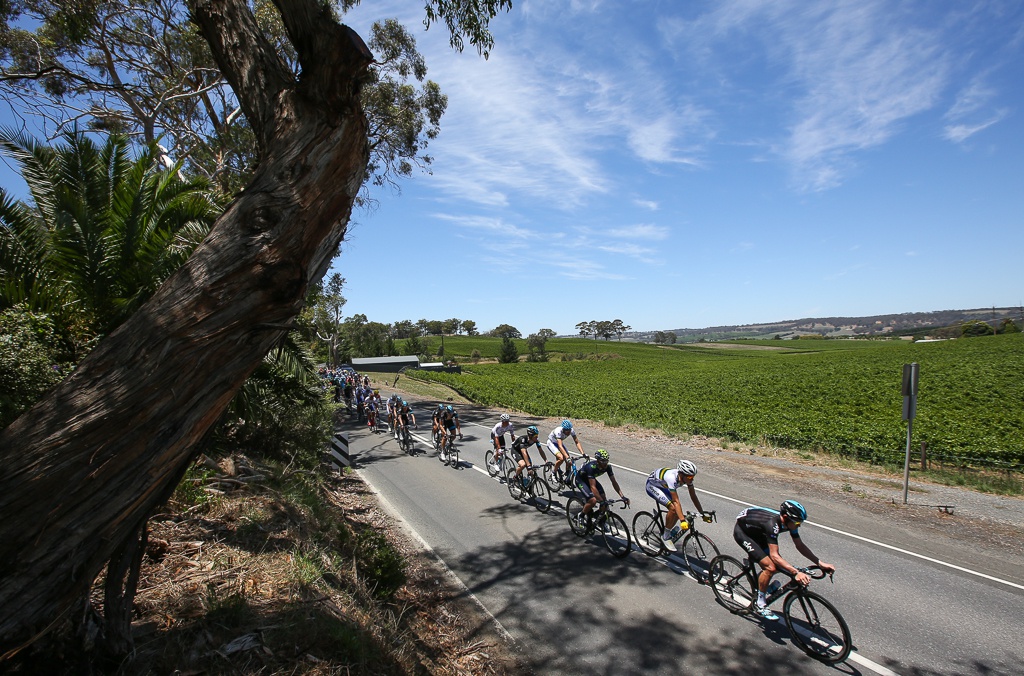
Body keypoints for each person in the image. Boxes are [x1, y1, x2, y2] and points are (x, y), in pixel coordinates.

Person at [733, 500, 836, 620]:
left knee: (779, 566)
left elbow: (800, 545)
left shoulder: (790, 522)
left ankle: (761, 587)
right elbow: (775, 556)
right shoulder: (772, 524)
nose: (799, 525)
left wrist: (819, 562)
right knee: (770, 567)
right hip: (744, 533)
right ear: (786, 517)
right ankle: (759, 603)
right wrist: (796, 572)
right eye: (797, 522)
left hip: (759, 532)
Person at [644, 460, 713, 552]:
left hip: (663, 486)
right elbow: (676, 501)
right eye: (690, 477)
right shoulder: (671, 478)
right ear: (681, 474)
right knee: (673, 508)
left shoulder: (687, 479)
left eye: (693, 477)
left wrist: (702, 513)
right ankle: (665, 536)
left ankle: (668, 529)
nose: (692, 479)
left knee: (678, 510)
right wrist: (682, 521)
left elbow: (693, 496)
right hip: (652, 486)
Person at [574, 449, 629, 522]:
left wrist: (622, 496)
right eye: (603, 461)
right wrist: (600, 501)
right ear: (598, 460)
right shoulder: (591, 467)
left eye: (606, 460)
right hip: (581, 480)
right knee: (593, 500)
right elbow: (592, 487)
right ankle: (581, 515)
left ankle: (598, 519)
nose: (605, 463)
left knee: (604, 502)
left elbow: (614, 482)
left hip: (591, 480)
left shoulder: (608, 467)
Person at [548, 419, 585, 483]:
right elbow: (560, 446)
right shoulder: (558, 431)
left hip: (559, 444)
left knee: (569, 462)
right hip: (552, 443)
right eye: (567, 431)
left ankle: (567, 476)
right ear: (563, 430)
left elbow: (577, 442)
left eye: (570, 430)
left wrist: (583, 453)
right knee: (561, 458)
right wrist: (567, 457)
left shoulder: (571, 430)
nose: (569, 432)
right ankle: (553, 473)